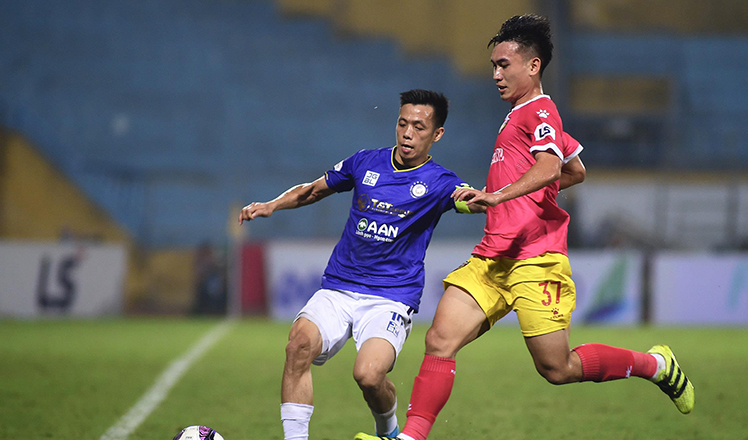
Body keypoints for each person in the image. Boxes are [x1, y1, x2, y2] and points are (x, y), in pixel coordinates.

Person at [355, 14, 693, 440]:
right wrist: (523, 192)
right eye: (494, 65)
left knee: (558, 368)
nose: (495, 74)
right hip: (493, 257)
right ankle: (411, 437)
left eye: (504, 65)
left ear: (532, 67)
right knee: (440, 339)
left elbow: (551, 165)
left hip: (536, 259)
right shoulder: (521, 115)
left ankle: (656, 365)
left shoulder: (540, 110)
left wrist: (501, 195)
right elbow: (575, 170)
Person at [239, 89, 487, 440]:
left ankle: (388, 429)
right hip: (339, 288)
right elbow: (313, 190)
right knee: (298, 347)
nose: (407, 133)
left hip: (390, 298)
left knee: (369, 376)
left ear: (437, 134)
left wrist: (495, 200)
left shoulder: (440, 182)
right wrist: (272, 205)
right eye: (402, 123)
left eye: (419, 127)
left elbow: (472, 201)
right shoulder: (365, 162)